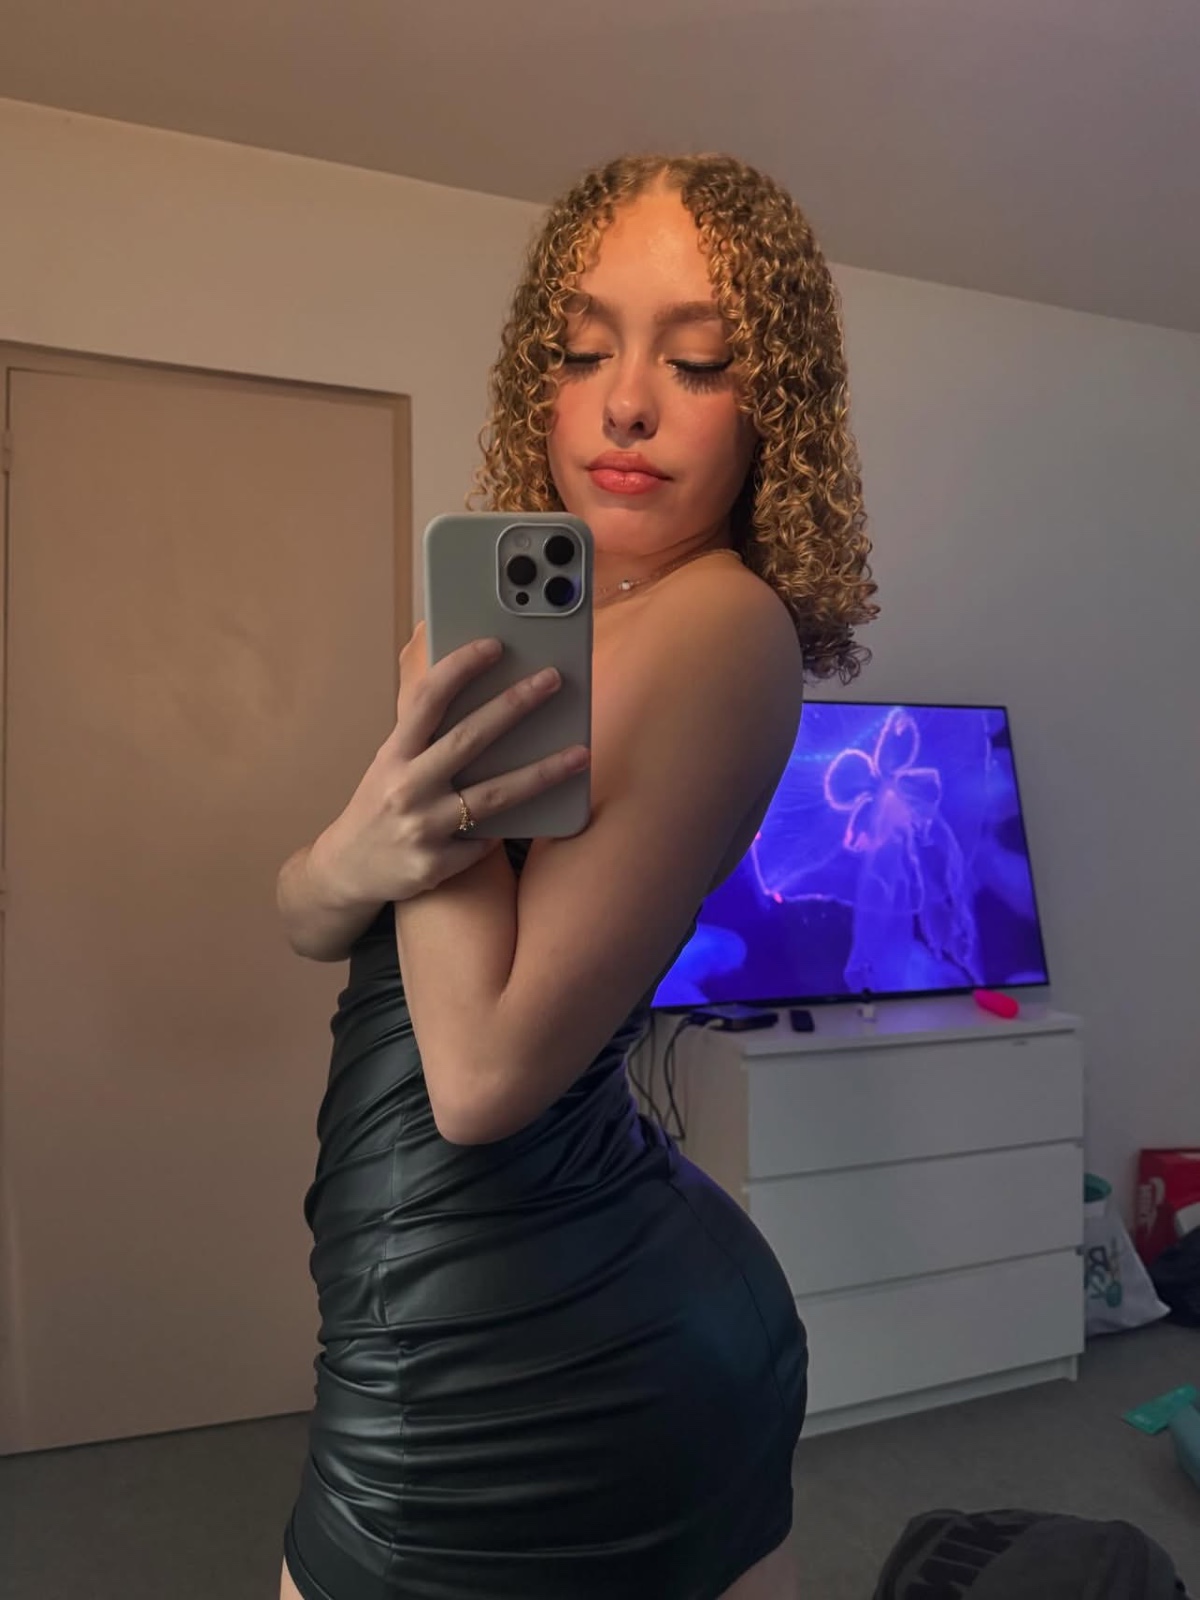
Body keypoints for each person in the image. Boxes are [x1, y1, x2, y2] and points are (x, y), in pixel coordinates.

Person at [275, 151, 877, 1600]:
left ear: (773, 406)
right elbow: (305, 915)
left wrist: (435, 712)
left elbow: (480, 1078)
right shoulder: (550, 639)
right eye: (583, 348)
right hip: (427, 1314)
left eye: (698, 359)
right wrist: (360, 848)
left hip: (545, 1349)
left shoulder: (723, 625)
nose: (626, 402)